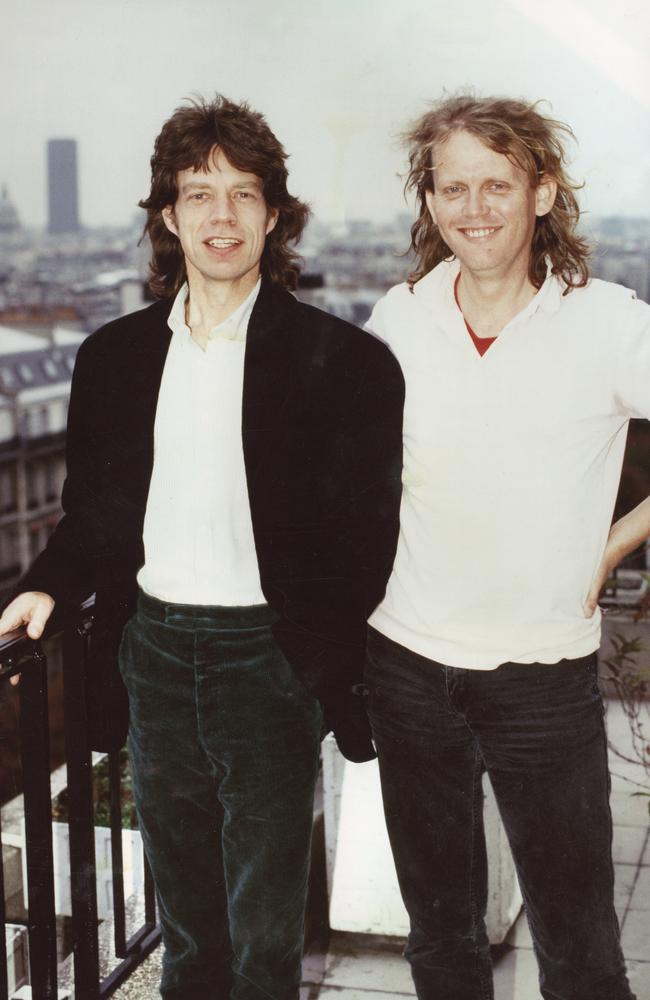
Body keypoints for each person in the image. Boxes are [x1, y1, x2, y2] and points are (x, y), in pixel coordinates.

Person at [0, 96, 404, 1000]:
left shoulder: (342, 361)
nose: (222, 216)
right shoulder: (112, 358)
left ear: (275, 214)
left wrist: (312, 656)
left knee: (265, 937)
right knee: (187, 926)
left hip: (266, 656)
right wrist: (45, 587)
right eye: (199, 193)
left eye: (243, 193)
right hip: (153, 651)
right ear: (167, 216)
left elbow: (368, 539)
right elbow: (93, 515)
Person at [363, 93, 649, 1000]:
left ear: (542, 193)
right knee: (439, 938)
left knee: (580, 950)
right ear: (430, 202)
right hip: (406, 664)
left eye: (497, 183)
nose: (474, 207)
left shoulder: (607, 320)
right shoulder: (399, 316)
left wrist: (610, 550)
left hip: (542, 678)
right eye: (453, 187)